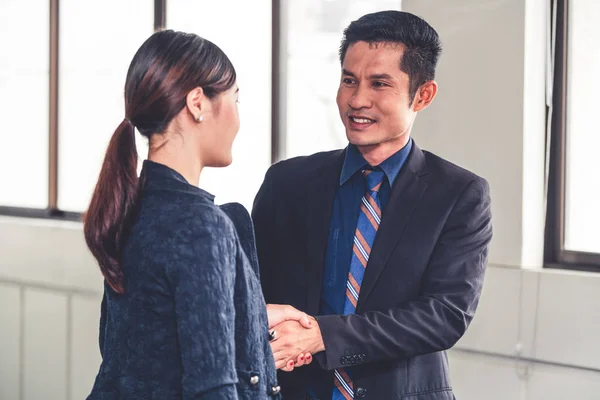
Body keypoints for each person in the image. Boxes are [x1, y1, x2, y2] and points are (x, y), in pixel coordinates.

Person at [252, 10, 493, 399]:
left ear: (423, 95)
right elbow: (250, 292)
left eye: (379, 83)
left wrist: (321, 337)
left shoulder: (458, 195)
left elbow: (445, 315)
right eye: (349, 80)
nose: (357, 99)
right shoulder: (287, 183)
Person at [83, 29, 311, 399]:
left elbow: (146, 340)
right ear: (197, 103)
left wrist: (251, 316)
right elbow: (212, 389)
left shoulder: (129, 205)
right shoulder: (201, 225)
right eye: (235, 100)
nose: (237, 119)